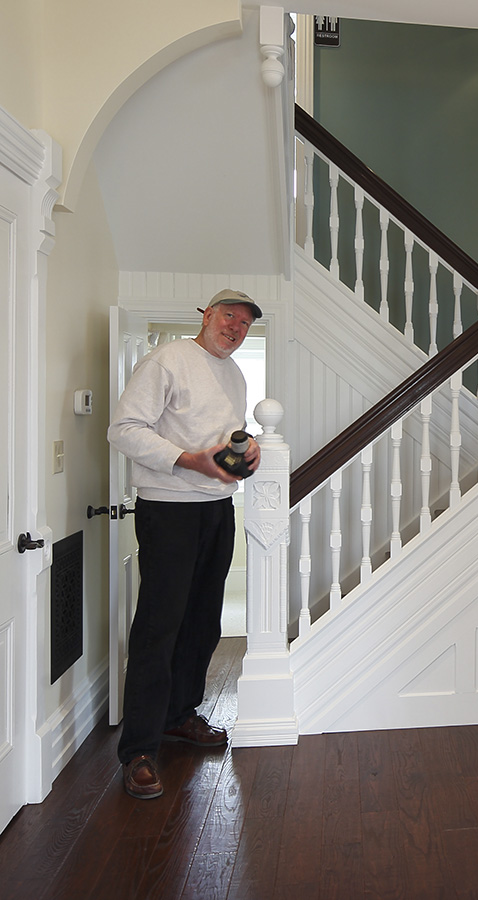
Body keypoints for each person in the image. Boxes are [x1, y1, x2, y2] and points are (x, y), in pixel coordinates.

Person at [107, 289, 262, 799]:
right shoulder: (168, 359)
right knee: (160, 625)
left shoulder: (235, 375)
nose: (235, 328)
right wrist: (187, 460)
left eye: (243, 323)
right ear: (206, 315)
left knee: (202, 620)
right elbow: (124, 429)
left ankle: (179, 715)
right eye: (228, 316)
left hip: (216, 508)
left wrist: (249, 446)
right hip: (167, 507)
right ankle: (139, 750)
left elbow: (225, 438)